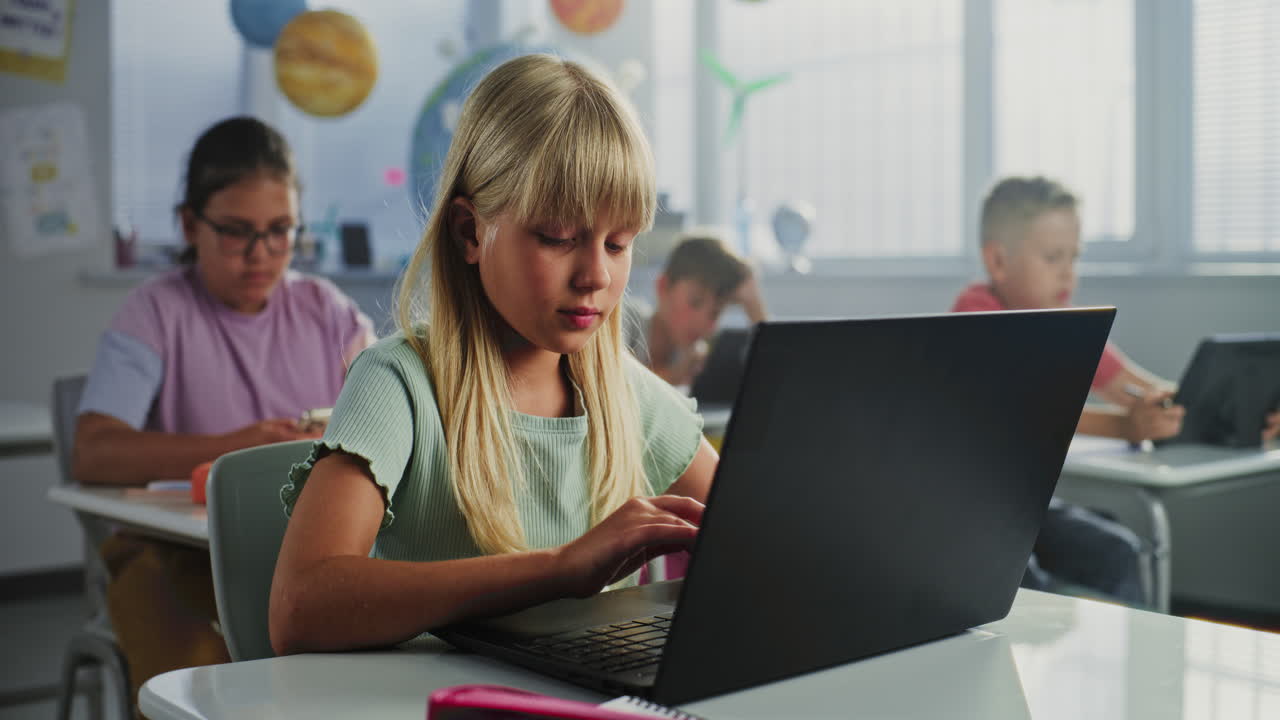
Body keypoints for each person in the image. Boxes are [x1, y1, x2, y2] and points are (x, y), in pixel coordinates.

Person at [268, 54, 719, 655]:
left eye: (619, 243)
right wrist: (558, 568)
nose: (595, 274)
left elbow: (756, 533)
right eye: (558, 238)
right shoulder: (400, 384)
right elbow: (300, 607)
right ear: (469, 232)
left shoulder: (626, 396)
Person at [73, 116, 376, 702]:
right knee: (209, 683)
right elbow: (93, 450)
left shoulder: (329, 312)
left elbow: (391, 421)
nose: (262, 255)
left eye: (281, 230)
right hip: (172, 554)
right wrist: (237, 445)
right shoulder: (155, 312)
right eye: (238, 232)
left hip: (301, 548)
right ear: (189, 224)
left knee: (366, 660)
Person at [953, 176, 1184, 444]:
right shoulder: (975, 316)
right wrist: (1124, 427)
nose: (1068, 274)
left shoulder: (1066, 323)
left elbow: (1139, 388)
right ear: (998, 261)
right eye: (1052, 258)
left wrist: (1180, 406)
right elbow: (1022, 411)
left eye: (1073, 258)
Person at [625, 233, 767, 387]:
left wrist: (754, 306)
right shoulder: (626, 318)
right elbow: (617, 387)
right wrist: (674, 376)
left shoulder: (693, 361)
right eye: (695, 302)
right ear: (663, 287)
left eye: (715, 313)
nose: (703, 322)